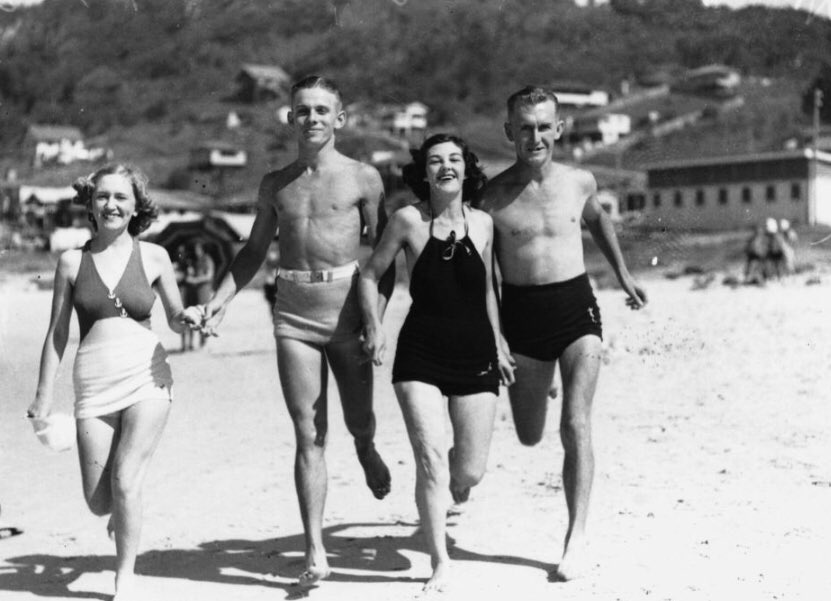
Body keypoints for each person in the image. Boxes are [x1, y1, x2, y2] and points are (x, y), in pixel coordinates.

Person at [188, 75, 394, 586]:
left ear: (339, 119)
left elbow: (385, 257)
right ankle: (315, 551)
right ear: (290, 118)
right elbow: (254, 251)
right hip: (294, 313)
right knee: (308, 433)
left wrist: (376, 319)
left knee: (359, 420)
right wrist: (219, 301)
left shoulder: (364, 178)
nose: (313, 119)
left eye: (323, 110)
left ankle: (366, 448)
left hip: (347, 312)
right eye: (303, 111)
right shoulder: (275, 184)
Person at [477, 86, 647, 581]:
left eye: (543, 126)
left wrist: (623, 275)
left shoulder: (580, 181)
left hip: (577, 312)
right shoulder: (491, 197)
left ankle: (576, 536)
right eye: (524, 127)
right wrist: (496, 338)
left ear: (559, 128)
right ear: (510, 132)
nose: (535, 136)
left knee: (575, 424)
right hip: (523, 320)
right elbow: (486, 277)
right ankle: (542, 380)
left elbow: (598, 222)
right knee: (530, 436)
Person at [359, 133, 515, 594]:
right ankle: (439, 563)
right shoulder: (408, 220)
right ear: (423, 172)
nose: (445, 167)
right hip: (420, 354)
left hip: (475, 353)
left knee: (468, 472)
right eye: (435, 161)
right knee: (430, 463)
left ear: (467, 169)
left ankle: (454, 479)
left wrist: (499, 339)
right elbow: (371, 274)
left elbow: (488, 287)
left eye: (453, 159)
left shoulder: (485, 224)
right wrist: (374, 324)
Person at [27, 164, 188, 600]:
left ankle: (125, 580)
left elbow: (174, 316)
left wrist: (188, 316)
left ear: (136, 206)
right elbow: (57, 333)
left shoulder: (154, 256)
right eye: (103, 197)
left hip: (147, 377)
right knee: (99, 501)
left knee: (126, 478)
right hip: (94, 384)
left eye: (121, 197)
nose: (111, 205)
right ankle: (122, 510)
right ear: (91, 205)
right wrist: (44, 394)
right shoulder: (71, 262)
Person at [184, 240, 215, 347]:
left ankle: (202, 340)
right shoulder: (192, 261)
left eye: (197, 248)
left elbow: (209, 275)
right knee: (191, 316)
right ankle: (190, 342)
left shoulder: (207, 260)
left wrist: (195, 280)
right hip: (193, 292)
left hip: (203, 291)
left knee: (202, 315)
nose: (195, 251)